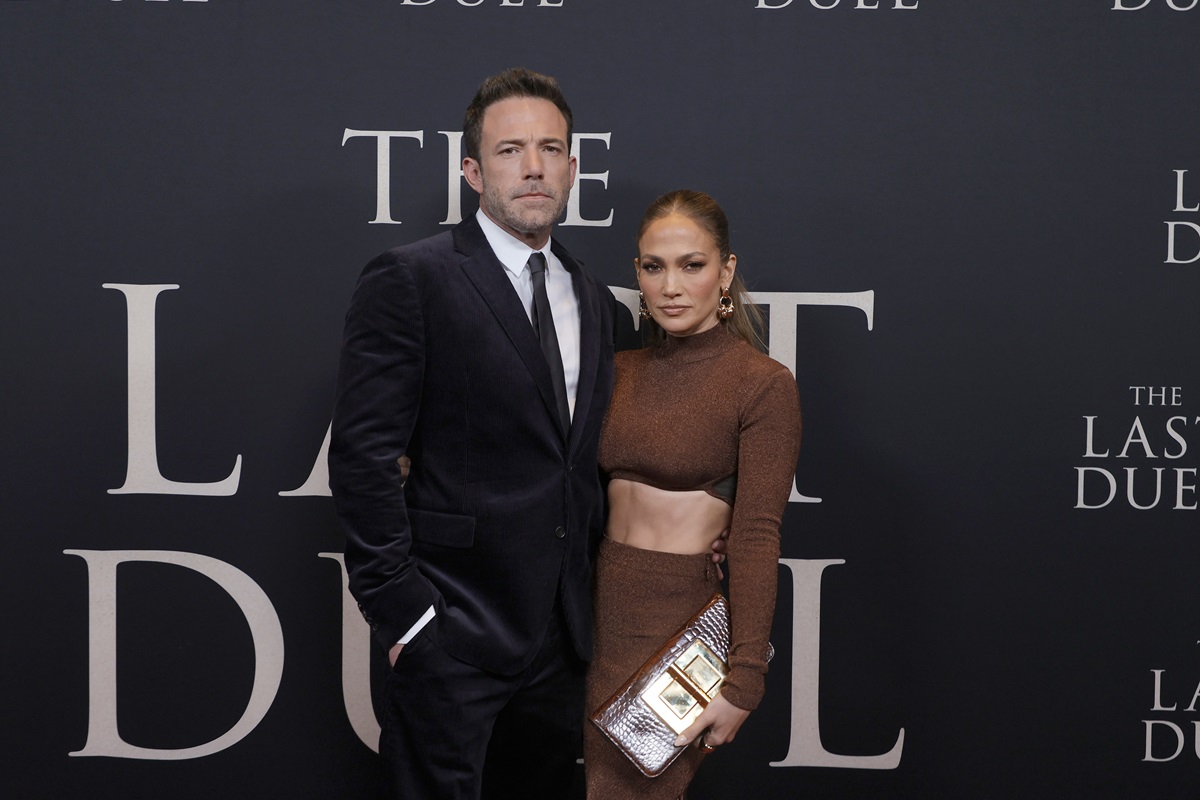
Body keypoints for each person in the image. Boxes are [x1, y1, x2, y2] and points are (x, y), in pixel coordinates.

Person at [328, 68, 617, 800]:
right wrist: (407, 613)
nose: (532, 167)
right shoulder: (412, 279)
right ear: (471, 170)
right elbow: (362, 457)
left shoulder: (591, 295)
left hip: (562, 637)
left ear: (573, 169)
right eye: (510, 149)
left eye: (551, 149)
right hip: (451, 628)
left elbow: (585, 463)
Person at [585, 190, 803, 799]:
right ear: (637, 274)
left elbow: (757, 535)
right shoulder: (618, 371)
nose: (671, 286)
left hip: (675, 624)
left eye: (693, 265)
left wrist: (745, 682)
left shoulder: (761, 385)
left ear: (726, 271)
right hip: (593, 616)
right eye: (654, 267)